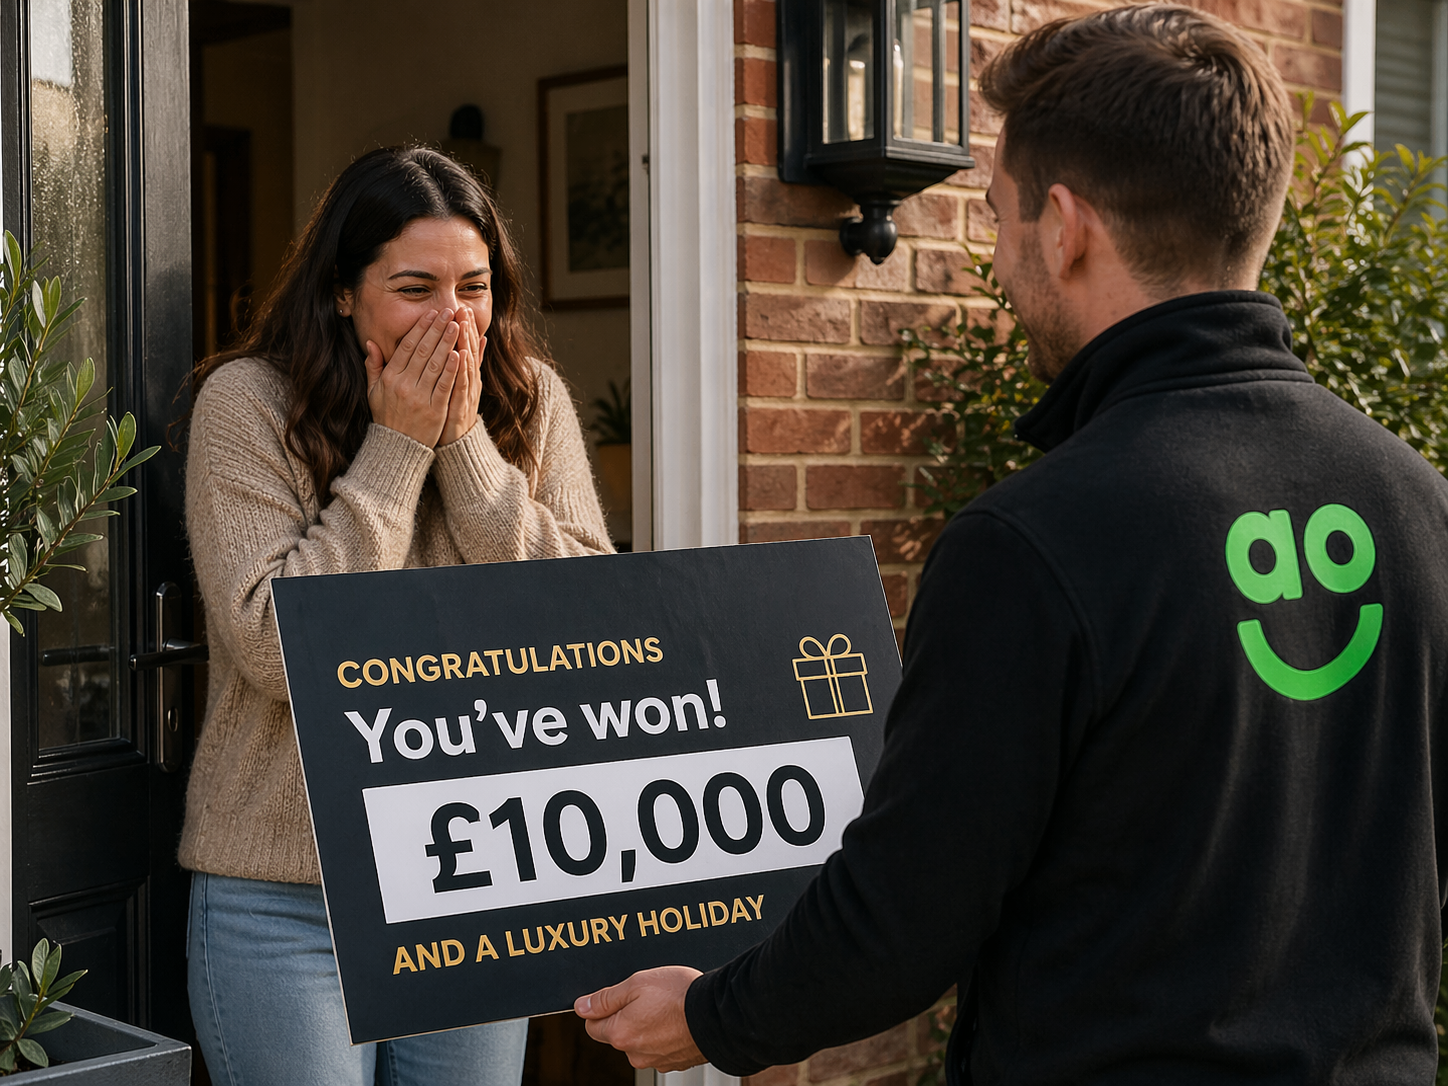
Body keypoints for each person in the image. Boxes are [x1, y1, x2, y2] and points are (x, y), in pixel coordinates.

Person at [574, 6, 1448, 1083]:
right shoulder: (1418, 504)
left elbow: (904, 915)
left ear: (1066, 225)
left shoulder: (1034, 541)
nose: (994, 257)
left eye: (995, 216)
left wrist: (713, 1015)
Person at [182, 147, 612, 1086]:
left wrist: (463, 446)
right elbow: (271, 643)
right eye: (415, 287)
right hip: (284, 900)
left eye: (475, 287)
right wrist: (396, 448)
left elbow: (586, 629)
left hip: (473, 880)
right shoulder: (248, 404)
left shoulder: (528, 403)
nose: (453, 319)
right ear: (343, 292)